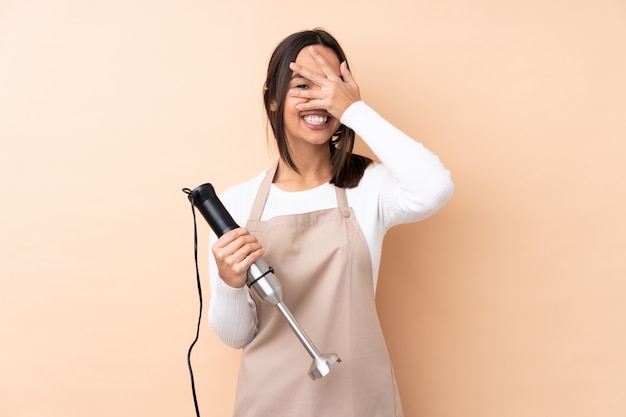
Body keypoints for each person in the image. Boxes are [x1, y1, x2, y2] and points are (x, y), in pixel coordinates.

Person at [207, 28, 454, 417]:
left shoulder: (368, 188)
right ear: (272, 100)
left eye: (330, 85)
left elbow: (435, 187)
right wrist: (229, 284)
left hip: (356, 400)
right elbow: (235, 336)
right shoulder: (235, 204)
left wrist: (354, 110)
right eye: (303, 85)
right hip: (270, 403)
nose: (319, 98)